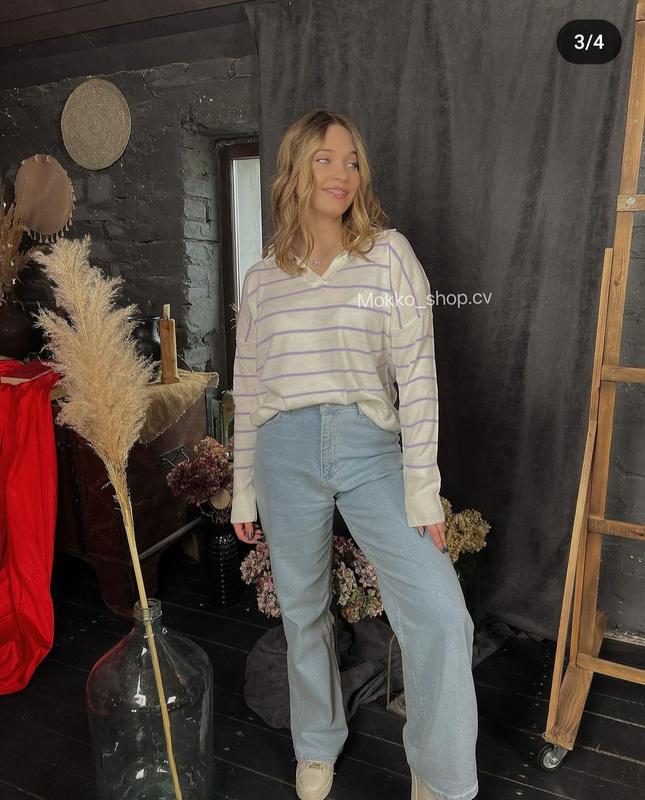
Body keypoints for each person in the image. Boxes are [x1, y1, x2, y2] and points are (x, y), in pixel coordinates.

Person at [231, 109, 478, 800]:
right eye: (324, 158)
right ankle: (316, 742)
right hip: (282, 449)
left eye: (351, 160)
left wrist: (422, 489)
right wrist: (243, 487)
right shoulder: (261, 279)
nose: (341, 172)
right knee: (302, 610)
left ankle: (439, 773)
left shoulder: (388, 255)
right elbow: (247, 387)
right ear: (295, 169)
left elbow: (417, 374)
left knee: (439, 613)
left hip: (370, 447)